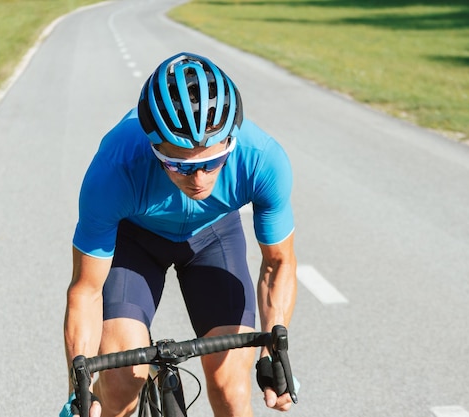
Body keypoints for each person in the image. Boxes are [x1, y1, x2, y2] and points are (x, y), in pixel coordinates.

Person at [62, 52, 297, 417]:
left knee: (231, 391)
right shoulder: (114, 169)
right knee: (120, 383)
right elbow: (86, 290)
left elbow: (277, 262)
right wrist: (80, 384)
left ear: (231, 140)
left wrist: (273, 351)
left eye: (211, 162)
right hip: (134, 241)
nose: (199, 180)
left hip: (213, 238)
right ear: (154, 146)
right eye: (179, 165)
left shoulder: (262, 159)